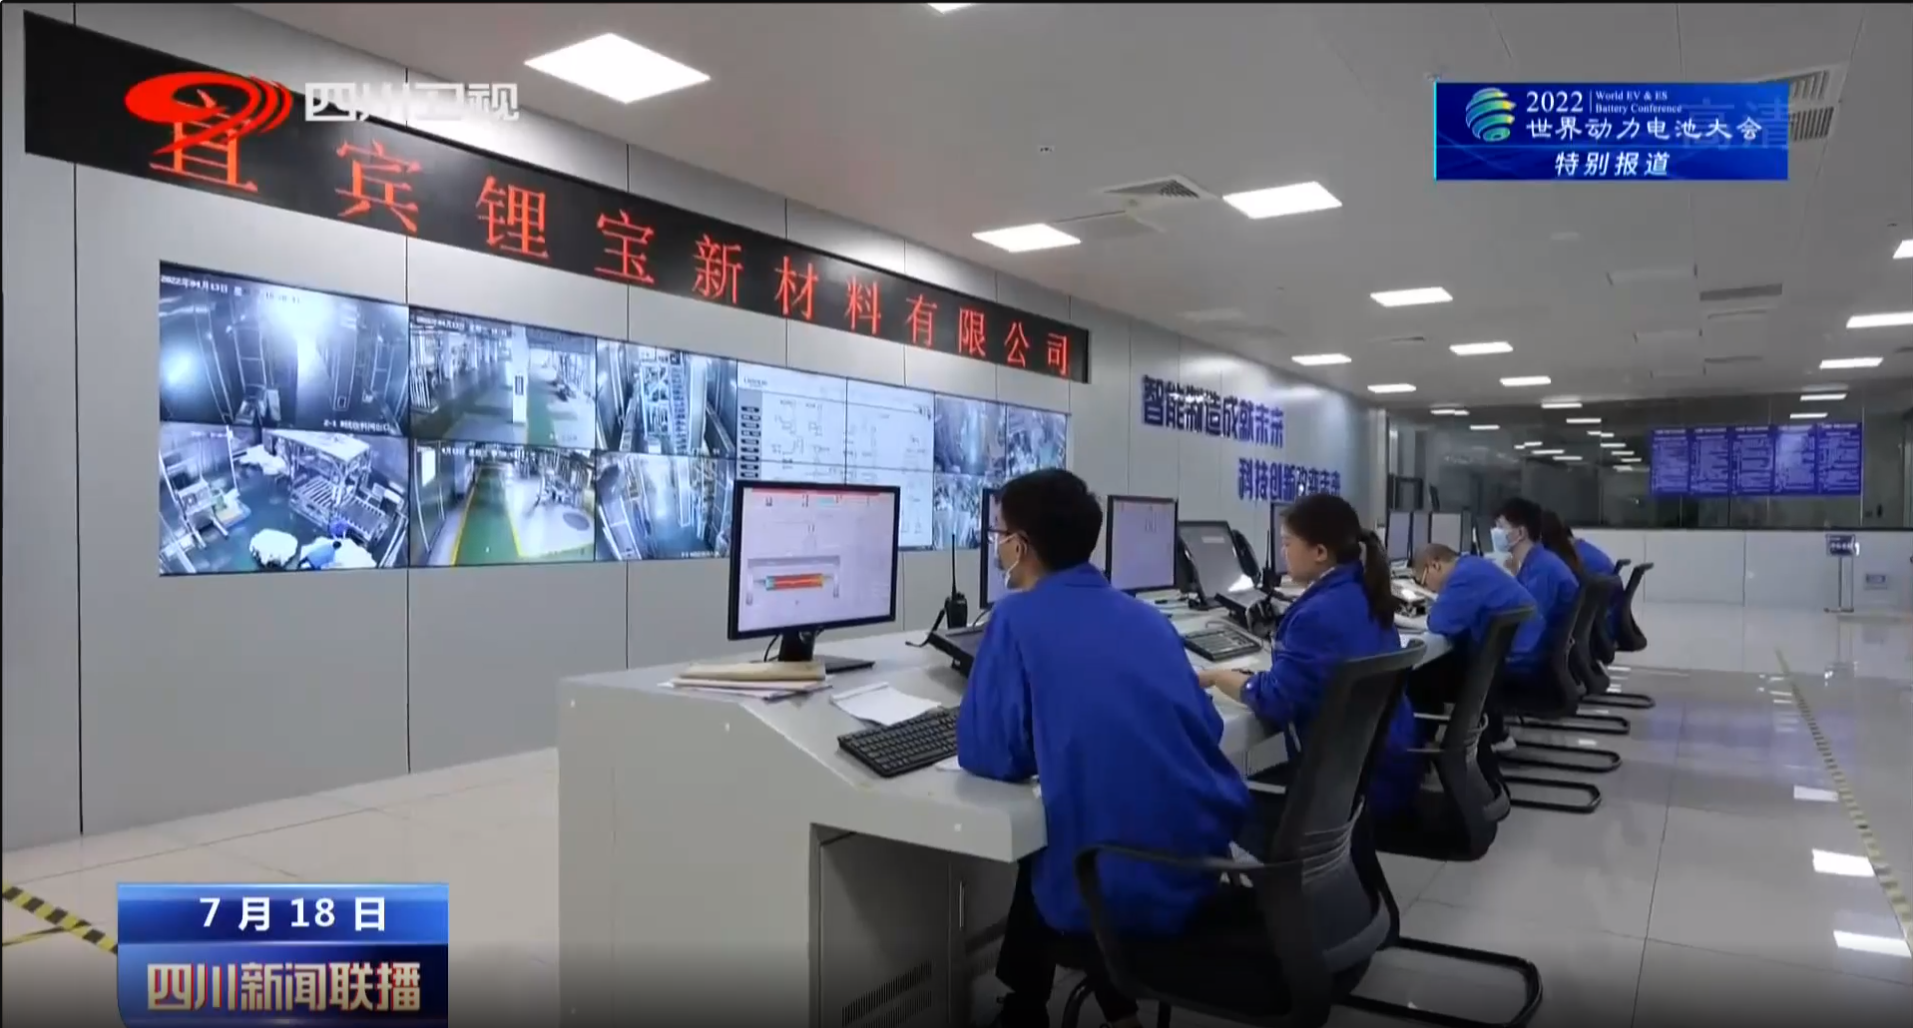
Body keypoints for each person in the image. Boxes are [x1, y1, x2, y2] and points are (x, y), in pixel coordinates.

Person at [958, 468, 1251, 1028]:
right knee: (1069, 835)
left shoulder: (1015, 618)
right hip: (1197, 867)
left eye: (998, 533)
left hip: (1121, 885)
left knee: (1053, 848)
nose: (997, 545)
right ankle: (1077, 1007)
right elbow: (1206, 726)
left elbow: (990, 755)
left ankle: (1029, 1009)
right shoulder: (1146, 618)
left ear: (1020, 546)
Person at [1196, 492, 1420, 821]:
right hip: (1378, 772)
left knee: (1206, 799)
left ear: (1319, 552)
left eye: (1287, 543)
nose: (1282, 552)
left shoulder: (1317, 615)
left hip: (1340, 792)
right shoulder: (1365, 592)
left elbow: (1276, 701)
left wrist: (1218, 676)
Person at [1406, 543, 1543, 751]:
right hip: (1522, 649)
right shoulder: (1472, 566)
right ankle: (1495, 733)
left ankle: (1419, 747)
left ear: (1435, 565)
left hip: (1516, 660)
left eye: (1423, 581)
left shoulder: (1462, 577)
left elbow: (1438, 623)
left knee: (1419, 676)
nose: (1428, 589)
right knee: (1444, 661)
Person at [1494, 498, 1581, 680]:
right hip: (1545, 658)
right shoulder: (1538, 563)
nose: (1495, 532)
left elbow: (1526, 639)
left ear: (1520, 533)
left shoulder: (1541, 572)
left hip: (1532, 666)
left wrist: (1496, 657)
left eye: (1501, 527)